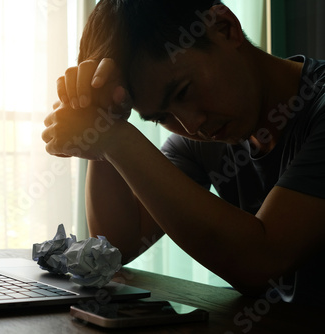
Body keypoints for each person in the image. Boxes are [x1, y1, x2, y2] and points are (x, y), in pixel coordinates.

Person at [42, 0, 325, 304]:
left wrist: (115, 138)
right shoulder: (205, 140)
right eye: (161, 118)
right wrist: (105, 116)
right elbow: (119, 244)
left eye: (183, 92)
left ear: (224, 27)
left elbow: (262, 261)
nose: (192, 125)